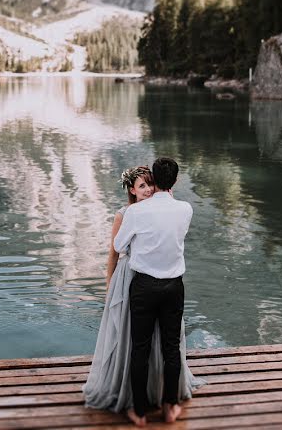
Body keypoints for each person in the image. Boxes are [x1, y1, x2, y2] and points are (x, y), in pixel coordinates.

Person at [82, 163, 202, 424]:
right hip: (174, 286)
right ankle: (170, 407)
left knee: (140, 348)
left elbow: (118, 245)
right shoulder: (185, 209)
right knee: (172, 348)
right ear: (175, 182)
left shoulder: (136, 213)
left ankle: (138, 411)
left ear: (155, 181)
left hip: (144, 286)